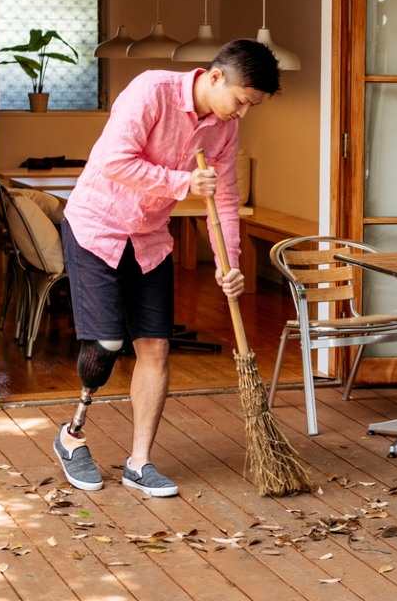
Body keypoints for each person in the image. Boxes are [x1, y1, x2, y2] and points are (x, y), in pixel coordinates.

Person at [53, 39, 281, 496]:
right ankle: (72, 435)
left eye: (251, 106)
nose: (243, 113)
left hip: (150, 239)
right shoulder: (150, 91)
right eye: (241, 101)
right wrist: (183, 182)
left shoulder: (223, 129)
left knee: (156, 348)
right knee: (107, 343)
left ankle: (140, 462)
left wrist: (228, 263)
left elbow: (225, 200)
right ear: (216, 77)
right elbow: (114, 161)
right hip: (96, 226)